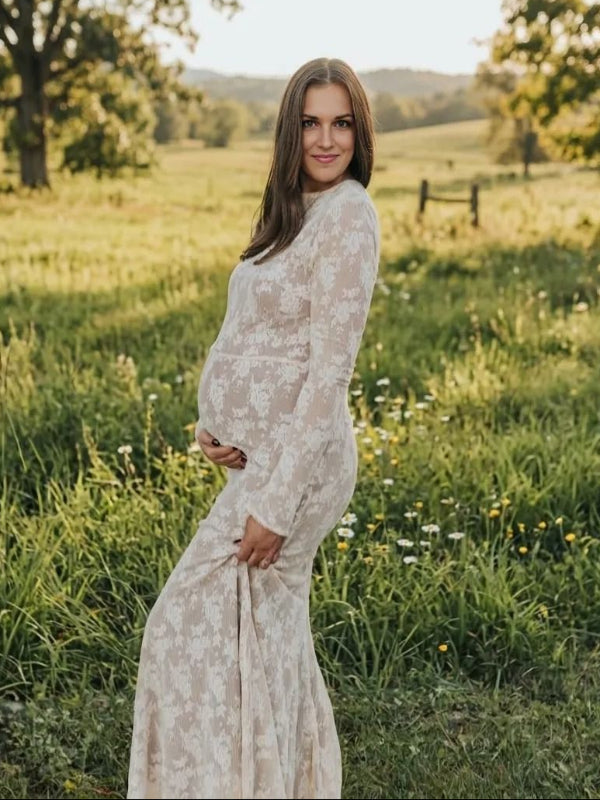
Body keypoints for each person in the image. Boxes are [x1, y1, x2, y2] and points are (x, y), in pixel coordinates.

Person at [127, 56, 380, 800]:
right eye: (311, 122)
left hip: (295, 469)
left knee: (179, 627)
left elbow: (328, 374)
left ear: (359, 132)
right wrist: (215, 424)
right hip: (257, 461)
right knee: (262, 635)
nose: (326, 139)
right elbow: (255, 334)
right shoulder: (293, 211)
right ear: (289, 131)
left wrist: (273, 499)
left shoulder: (349, 215)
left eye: (341, 123)